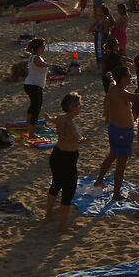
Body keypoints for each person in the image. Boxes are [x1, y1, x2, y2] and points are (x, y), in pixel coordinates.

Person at [46, 89, 84, 232]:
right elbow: (76, 136)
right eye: (79, 106)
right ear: (73, 108)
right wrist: (80, 139)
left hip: (56, 154)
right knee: (68, 191)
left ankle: (49, 212)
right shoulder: (71, 123)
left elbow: (52, 120)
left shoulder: (61, 118)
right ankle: (62, 226)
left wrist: (48, 118)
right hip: (67, 159)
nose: (80, 108)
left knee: (56, 184)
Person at [92, 71, 136, 194]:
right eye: (127, 75)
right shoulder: (122, 93)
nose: (130, 77)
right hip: (123, 131)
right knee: (120, 164)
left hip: (114, 129)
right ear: (121, 78)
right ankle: (116, 193)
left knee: (112, 155)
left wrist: (111, 76)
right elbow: (135, 97)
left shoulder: (112, 88)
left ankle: (99, 180)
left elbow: (111, 83)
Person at [22, 37, 49, 127]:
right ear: (38, 47)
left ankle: (28, 126)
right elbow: (40, 65)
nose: (44, 48)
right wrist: (50, 65)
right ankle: (31, 132)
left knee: (33, 107)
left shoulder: (33, 57)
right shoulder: (36, 58)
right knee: (36, 108)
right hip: (34, 86)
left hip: (31, 84)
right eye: (43, 46)